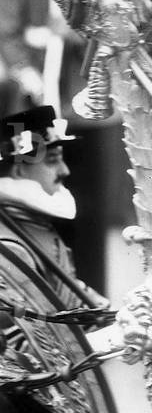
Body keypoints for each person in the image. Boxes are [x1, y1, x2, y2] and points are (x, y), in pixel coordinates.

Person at [0, 104, 106, 308]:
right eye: (52, 160)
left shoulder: (31, 225)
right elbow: (22, 331)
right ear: (20, 171)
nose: (64, 170)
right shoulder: (11, 246)